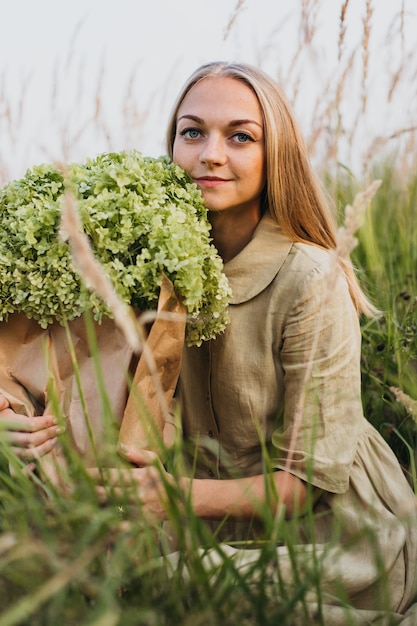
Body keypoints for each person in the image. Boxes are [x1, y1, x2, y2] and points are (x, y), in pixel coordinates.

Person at [2, 61, 417, 623]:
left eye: (241, 136)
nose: (211, 154)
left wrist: (170, 496)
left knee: (156, 588)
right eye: (192, 131)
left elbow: (307, 484)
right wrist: (17, 419)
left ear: (277, 157)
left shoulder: (309, 277)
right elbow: (67, 382)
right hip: (186, 516)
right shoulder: (141, 256)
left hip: (327, 530)